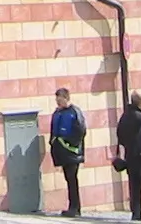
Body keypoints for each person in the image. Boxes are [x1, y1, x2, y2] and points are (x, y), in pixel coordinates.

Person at [49, 87, 87, 218]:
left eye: (60, 100)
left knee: (72, 178)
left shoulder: (74, 112)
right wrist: (53, 144)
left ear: (66, 98)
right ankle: (74, 207)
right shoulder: (58, 113)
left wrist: (70, 144)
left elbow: (81, 130)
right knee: (69, 178)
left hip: (72, 152)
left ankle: (75, 207)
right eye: (56, 101)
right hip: (62, 153)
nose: (58, 103)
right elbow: (53, 131)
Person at [116, 90, 141, 221]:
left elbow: (119, 134)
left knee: (134, 185)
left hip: (129, 154)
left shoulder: (125, 116)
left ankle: (136, 212)